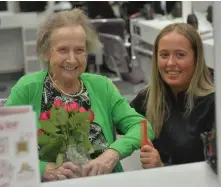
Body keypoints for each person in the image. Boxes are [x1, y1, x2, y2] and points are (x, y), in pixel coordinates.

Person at [5, 9, 154, 181]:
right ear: (46, 53)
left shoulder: (102, 86)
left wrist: (112, 154)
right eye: (62, 50)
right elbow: (5, 143)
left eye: (79, 50)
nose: (72, 59)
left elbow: (142, 126)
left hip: (103, 181)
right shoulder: (28, 88)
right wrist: (43, 168)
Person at [130, 23, 215, 168]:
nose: (170, 63)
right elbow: (119, 121)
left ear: (196, 59)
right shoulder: (149, 97)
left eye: (180, 55)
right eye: (164, 55)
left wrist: (161, 168)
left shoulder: (213, 105)